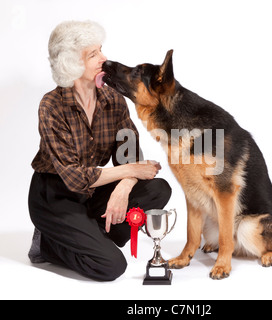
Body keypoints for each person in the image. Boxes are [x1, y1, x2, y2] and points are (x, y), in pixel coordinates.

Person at [28, 20, 172, 281]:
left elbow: (130, 154)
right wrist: (130, 171)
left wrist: (125, 185)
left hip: (92, 192)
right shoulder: (51, 106)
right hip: (55, 195)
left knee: (158, 189)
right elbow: (74, 177)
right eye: (93, 54)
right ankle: (48, 244)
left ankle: (92, 233)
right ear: (71, 62)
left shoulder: (113, 99)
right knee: (111, 267)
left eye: (101, 50)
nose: (104, 59)